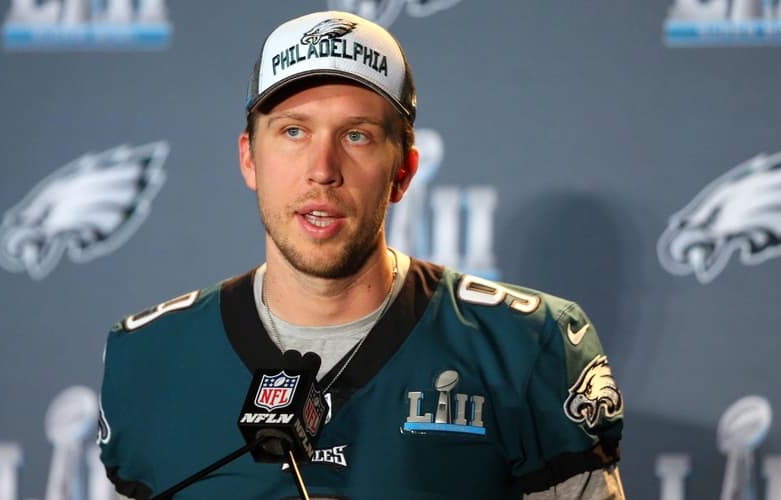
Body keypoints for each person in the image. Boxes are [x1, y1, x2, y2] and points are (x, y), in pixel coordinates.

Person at [98, 10, 625, 500]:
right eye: (294, 131)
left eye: (357, 135)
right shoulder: (149, 359)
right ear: (249, 159)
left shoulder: (526, 348)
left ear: (403, 172)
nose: (323, 168)